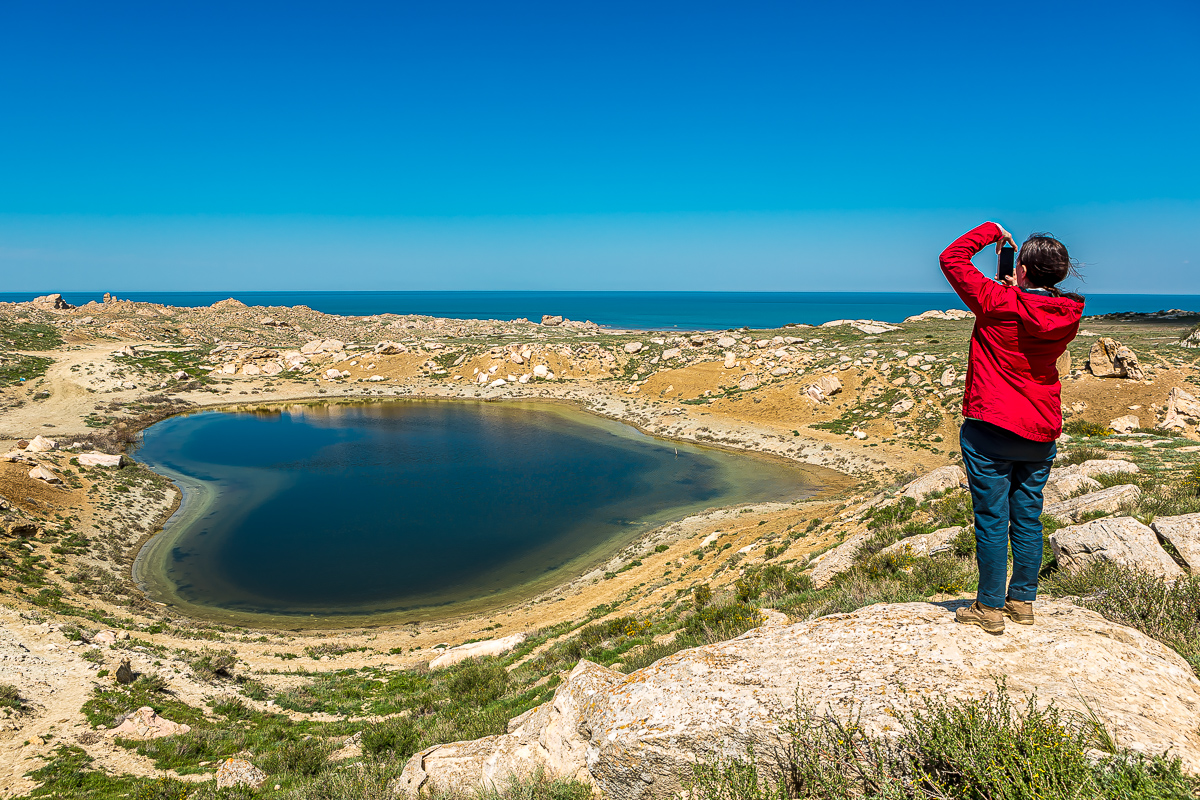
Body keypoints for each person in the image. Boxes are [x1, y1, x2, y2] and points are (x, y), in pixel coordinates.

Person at [939, 222, 1084, 634]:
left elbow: (951, 259)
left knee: (991, 519)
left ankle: (988, 608)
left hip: (991, 427)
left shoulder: (995, 301)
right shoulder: (1067, 313)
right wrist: (1013, 277)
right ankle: (1022, 601)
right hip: (1040, 427)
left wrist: (991, 232)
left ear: (1022, 269)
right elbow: (1028, 306)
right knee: (1027, 519)